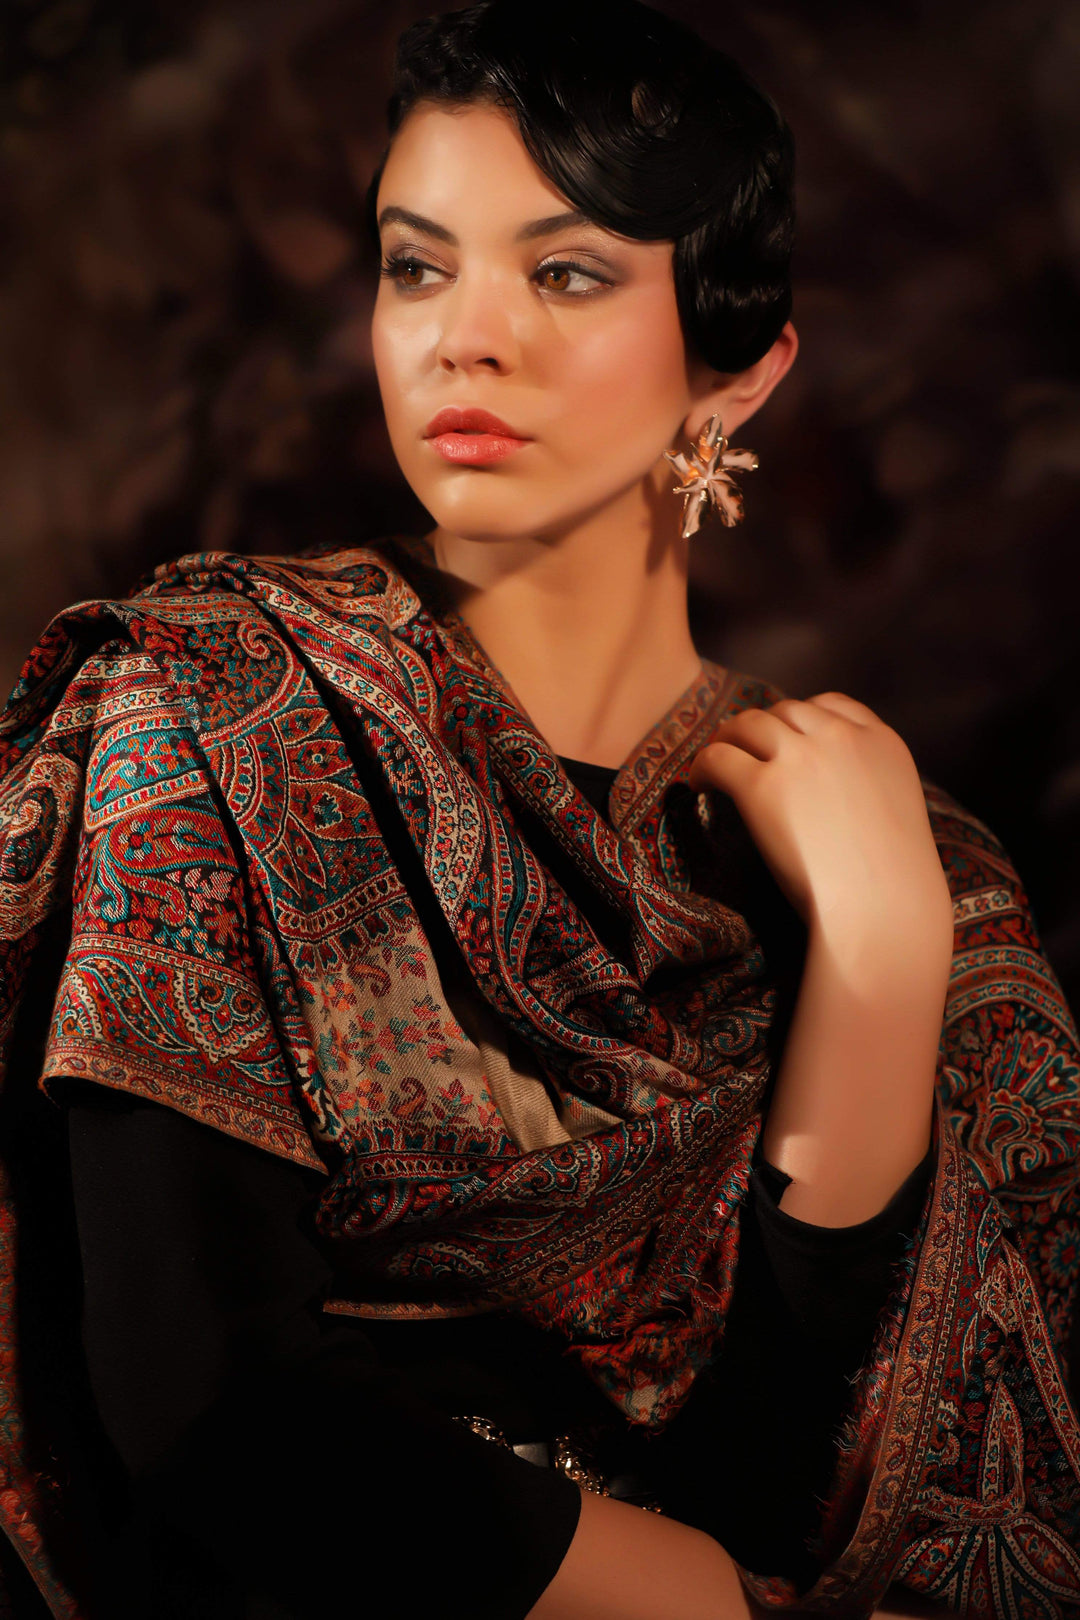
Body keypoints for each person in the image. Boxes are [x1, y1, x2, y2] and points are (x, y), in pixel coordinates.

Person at [0, 2, 1077, 1616]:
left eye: (565, 274)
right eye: (416, 266)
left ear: (740, 369)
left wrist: (882, 962)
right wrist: (684, 1597)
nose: (465, 338)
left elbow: (822, 1486)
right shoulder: (218, 710)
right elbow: (208, 1409)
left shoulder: (916, 870)